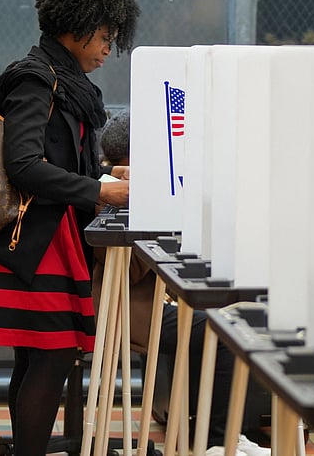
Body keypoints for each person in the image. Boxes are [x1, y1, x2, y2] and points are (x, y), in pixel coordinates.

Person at [0, 0, 140, 456]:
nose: (107, 50)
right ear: (77, 28)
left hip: (41, 238)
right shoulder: (37, 82)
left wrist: (108, 174)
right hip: (30, 242)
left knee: (34, 360)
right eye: (104, 36)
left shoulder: (60, 80)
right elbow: (25, 165)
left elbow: (60, 156)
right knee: (49, 360)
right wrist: (101, 191)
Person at [94, 111, 271, 456]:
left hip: (157, 300)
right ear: (131, 157)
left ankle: (223, 434)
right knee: (224, 333)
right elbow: (126, 271)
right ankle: (218, 441)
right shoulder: (111, 192)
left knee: (224, 320)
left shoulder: (139, 186)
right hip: (129, 306)